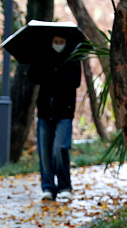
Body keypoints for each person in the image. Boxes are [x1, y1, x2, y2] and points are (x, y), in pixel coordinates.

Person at [27, 35, 82, 201]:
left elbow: (76, 81)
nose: (58, 45)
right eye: (55, 42)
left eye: (61, 42)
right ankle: (48, 187)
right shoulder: (43, 57)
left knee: (60, 148)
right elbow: (33, 76)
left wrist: (59, 72)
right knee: (44, 152)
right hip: (44, 112)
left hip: (64, 113)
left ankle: (65, 185)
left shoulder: (73, 58)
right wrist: (41, 63)